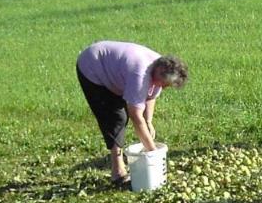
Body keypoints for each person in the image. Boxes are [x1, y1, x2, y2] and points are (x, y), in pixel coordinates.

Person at [76, 40, 188, 187]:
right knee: (116, 118)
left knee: (125, 111)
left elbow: (151, 94)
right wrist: (152, 151)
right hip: (93, 66)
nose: (165, 88)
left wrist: (148, 121)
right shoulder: (140, 74)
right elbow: (136, 116)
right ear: (159, 73)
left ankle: (120, 166)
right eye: (165, 84)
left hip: (114, 67)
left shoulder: (161, 67)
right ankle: (118, 173)